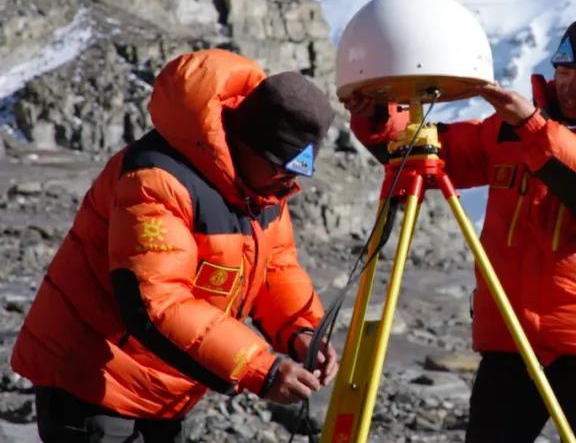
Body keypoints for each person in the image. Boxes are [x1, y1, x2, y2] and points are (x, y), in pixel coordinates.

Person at [346, 15, 576, 442]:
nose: (566, 87)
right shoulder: (507, 131)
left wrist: (535, 127)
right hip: (509, 335)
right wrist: (381, 119)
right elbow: (438, 152)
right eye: (563, 73)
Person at [12, 49, 341, 442]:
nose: (286, 184)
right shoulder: (157, 178)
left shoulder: (263, 189)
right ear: (245, 142)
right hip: (93, 384)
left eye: (295, 173)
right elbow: (159, 302)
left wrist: (301, 331)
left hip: (161, 387)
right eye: (279, 168)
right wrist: (260, 368)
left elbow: (276, 267)